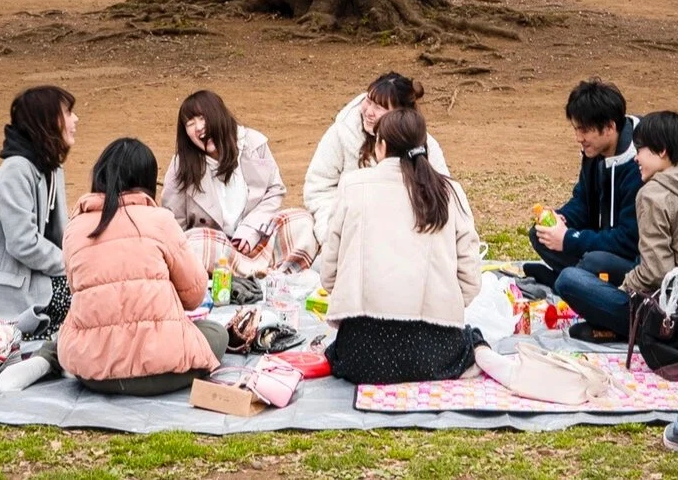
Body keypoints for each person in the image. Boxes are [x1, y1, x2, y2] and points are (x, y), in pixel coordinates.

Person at [317, 107, 484, 384]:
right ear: (424, 146)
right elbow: (470, 279)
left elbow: (329, 273)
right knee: (474, 338)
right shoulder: (449, 192)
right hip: (434, 354)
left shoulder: (352, 186)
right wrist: (443, 304)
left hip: (363, 355)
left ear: (380, 146)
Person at [57, 137, 230, 395]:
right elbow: (194, 296)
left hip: (93, 373)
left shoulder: (75, 228)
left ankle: (45, 358)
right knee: (217, 333)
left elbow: (79, 291)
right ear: (147, 180)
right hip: (162, 370)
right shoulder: (159, 220)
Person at [555, 109, 678, 344]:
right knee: (597, 264)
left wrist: (621, 289)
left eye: (640, 149)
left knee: (569, 280)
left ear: (662, 151)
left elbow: (655, 273)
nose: (636, 158)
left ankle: (631, 328)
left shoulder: (655, 194)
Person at [159, 89, 316, 276]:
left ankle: (252, 276)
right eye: (190, 123)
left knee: (302, 221)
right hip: (217, 251)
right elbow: (173, 221)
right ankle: (265, 276)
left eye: (202, 118)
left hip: (257, 241)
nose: (199, 127)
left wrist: (251, 229)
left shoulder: (252, 143)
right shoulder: (181, 165)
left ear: (219, 115)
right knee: (198, 241)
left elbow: (275, 190)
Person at [0, 85, 76, 332]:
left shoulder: (51, 167)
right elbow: (23, 243)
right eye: (68, 113)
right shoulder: (16, 171)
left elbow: (60, 232)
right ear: (46, 121)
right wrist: (71, 265)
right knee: (89, 302)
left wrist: (82, 256)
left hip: (36, 274)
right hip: (5, 287)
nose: (75, 119)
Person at [524, 79, 641, 298]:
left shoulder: (640, 163)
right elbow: (582, 201)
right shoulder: (595, 153)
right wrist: (562, 219)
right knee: (541, 233)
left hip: (633, 260)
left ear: (609, 127)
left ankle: (568, 281)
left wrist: (569, 239)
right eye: (576, 129)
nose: (579, 138)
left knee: (594, 261)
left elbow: (628, 240)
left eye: (584, 131)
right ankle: (574, 281)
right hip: (602, 245)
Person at [303, 71, 448, 240]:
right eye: (369, 101)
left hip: (405, 234)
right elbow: (319, 187)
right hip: (349, 231)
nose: (369, 112)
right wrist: (331, 233)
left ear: (401, 115)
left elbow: (441, 194)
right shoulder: (342, 132)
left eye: (379, 108)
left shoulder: (425, 145)